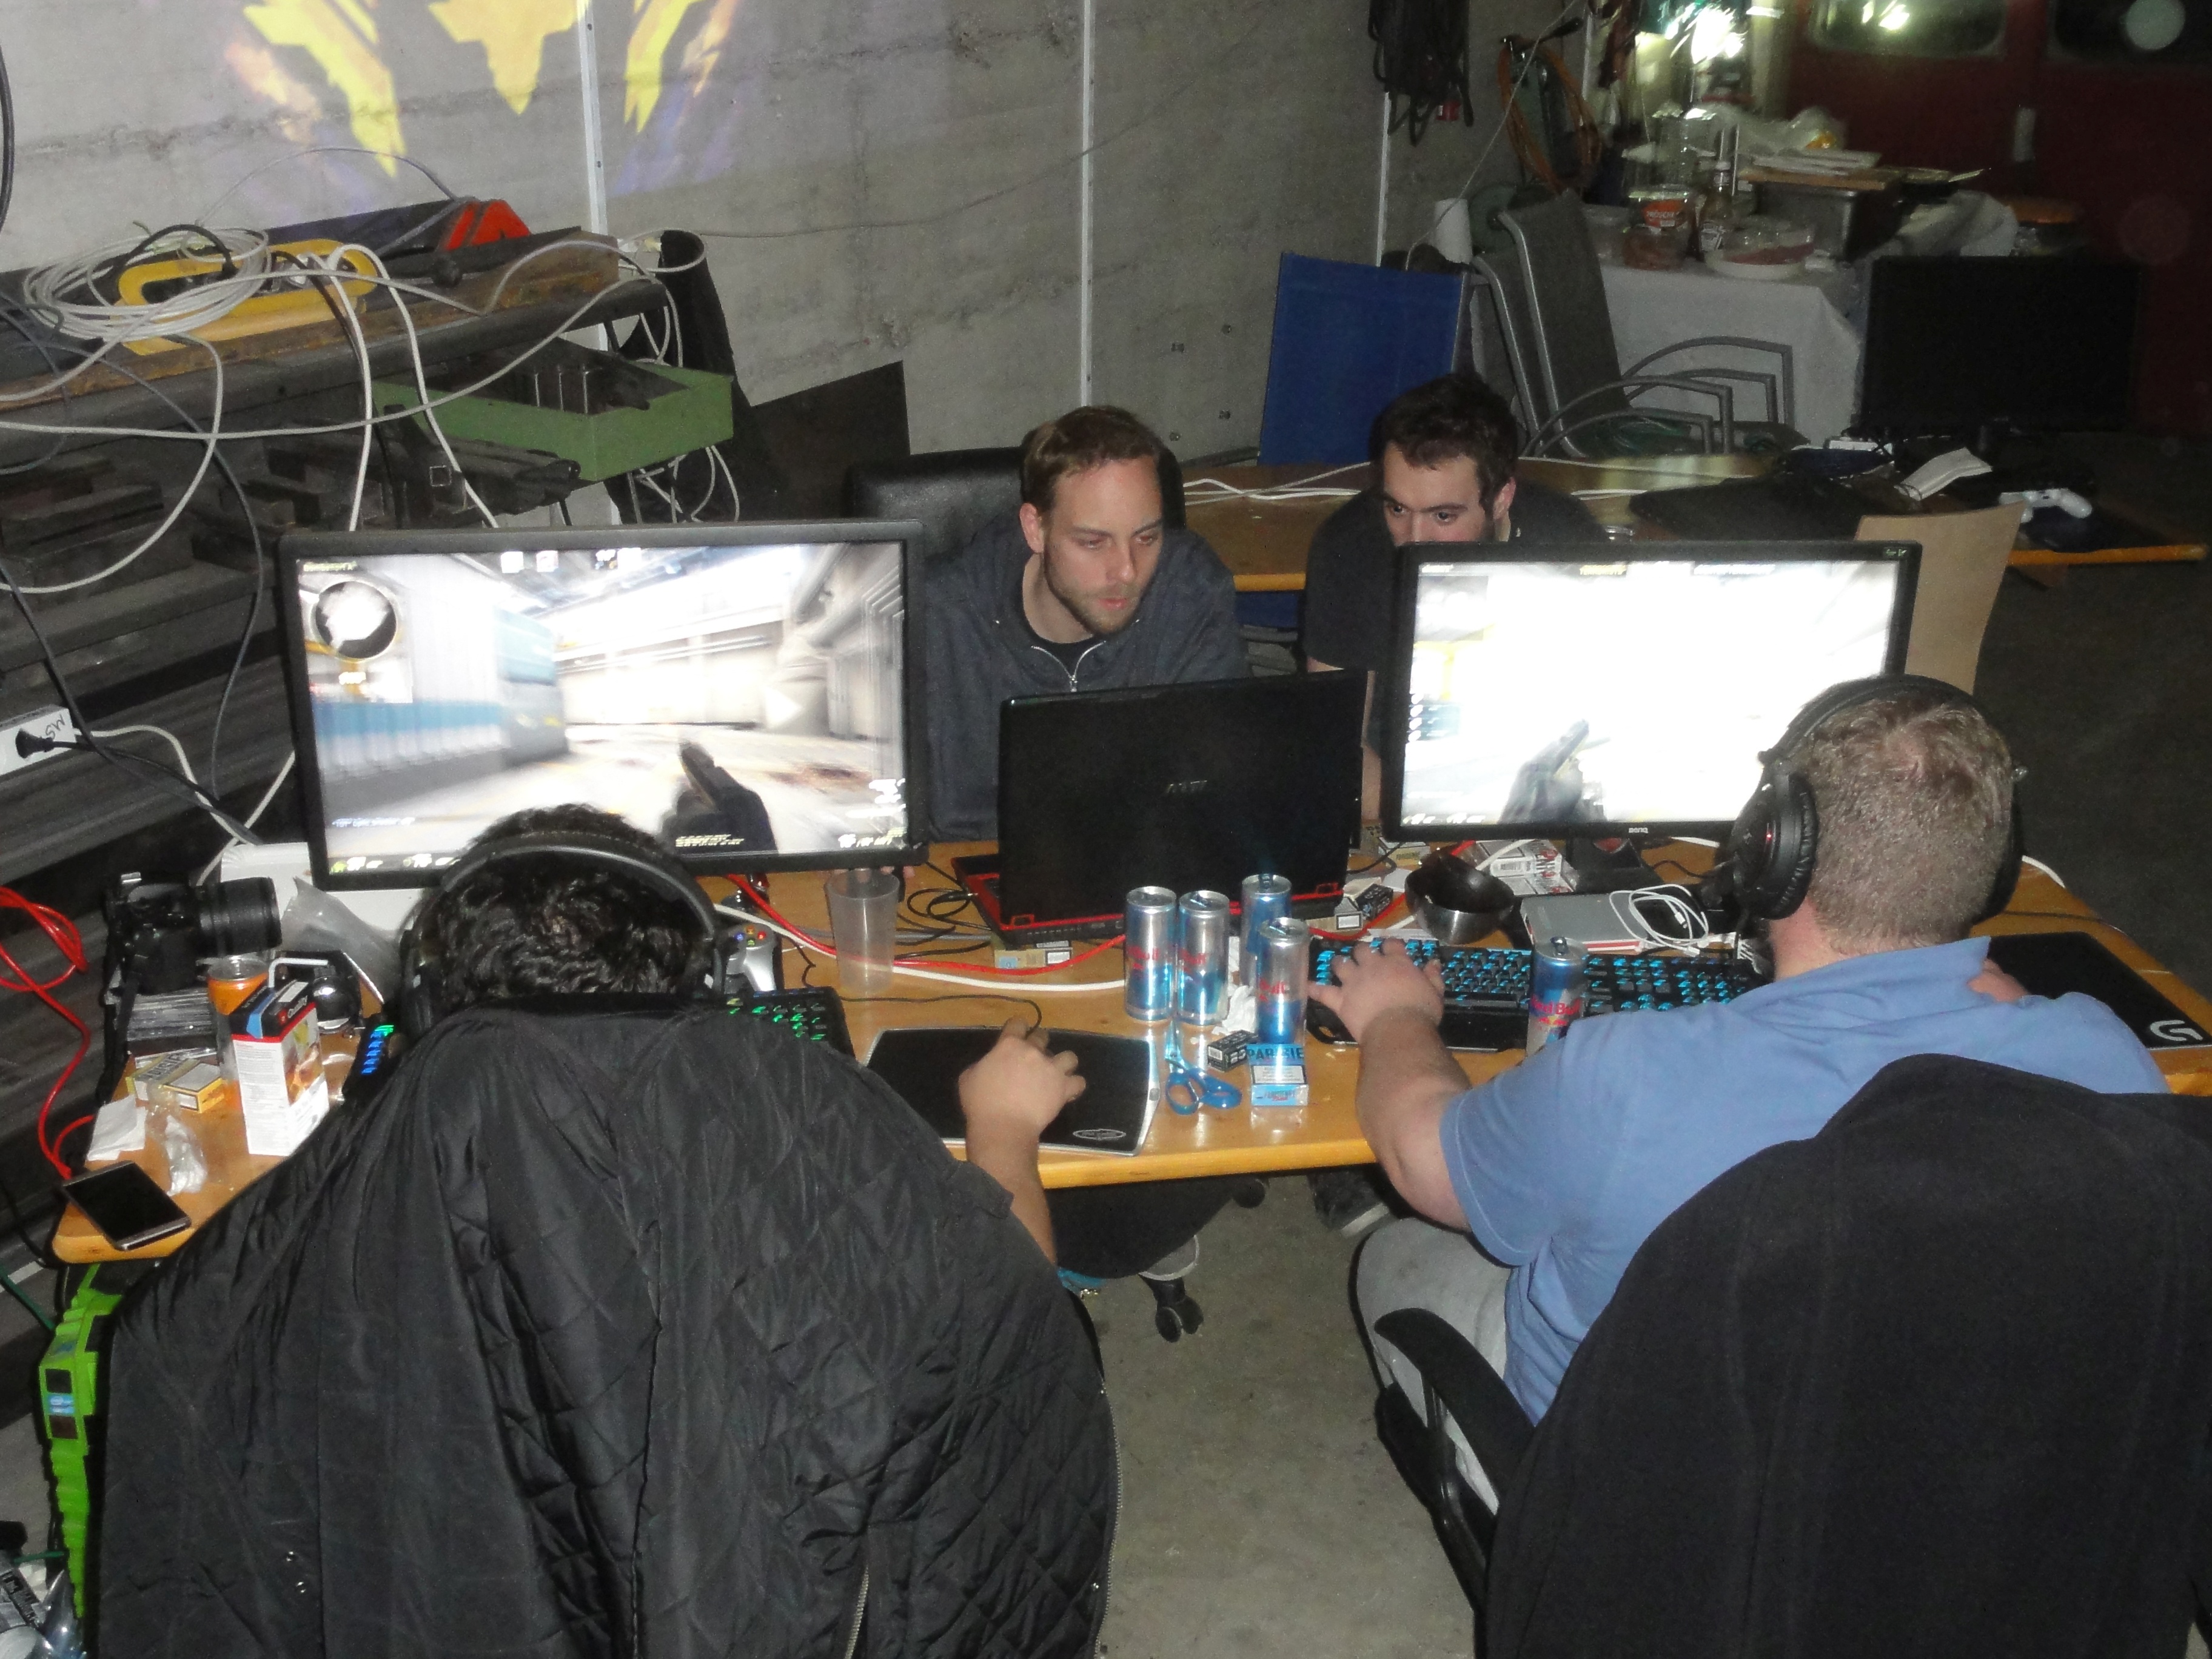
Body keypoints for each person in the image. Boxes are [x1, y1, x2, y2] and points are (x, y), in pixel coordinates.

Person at [100, 805, 1114, 1657]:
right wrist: (1003, 1130)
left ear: (433, 998)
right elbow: (1012, 1317)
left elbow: (182, 1378)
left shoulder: (397, 1138)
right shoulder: (799, 1101)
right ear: (704, 981)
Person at [1322, 680, 2168, 1477]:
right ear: (1997, 865)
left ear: (1773, 849)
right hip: (1930, 1488)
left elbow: (1425, 1165)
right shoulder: (2101, 1060)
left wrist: (1396, 1017)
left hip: (1641, 1496)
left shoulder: (1631, 1076)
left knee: (1400, 1251)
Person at [922, 403, 1246, 840]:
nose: (1127, 571)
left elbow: (1220, 779)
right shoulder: (933, 614)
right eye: (1094, 543)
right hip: (973, 864)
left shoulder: (1191, 589)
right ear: (1035, 529)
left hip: (1147, 853)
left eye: (1147, 538)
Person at [1302, 372, 1605, 824]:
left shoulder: (1566, 540)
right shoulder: (1352, 549)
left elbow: (1600, 707)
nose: (1413, 539)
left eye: (1443, 516)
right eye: (1397, 508)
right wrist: (1445, 815)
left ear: (1500, 499)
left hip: (1539, 762)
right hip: (1398, 771)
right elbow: (1336, 744)